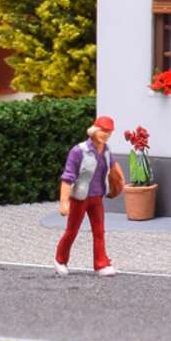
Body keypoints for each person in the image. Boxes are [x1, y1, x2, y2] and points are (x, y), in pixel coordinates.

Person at [55, 116, 121, 276]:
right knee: (72, 230)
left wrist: (119, 184)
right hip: (80, 198)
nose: (105, 135)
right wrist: (64, 202)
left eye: (108, 132)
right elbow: (67, 177)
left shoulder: (106, 150)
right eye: (103, 131)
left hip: (97, 197)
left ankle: (101, 263)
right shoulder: (79, 151)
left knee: (99, 231)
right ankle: (60, 260)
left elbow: (113, 167)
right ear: (94, 130)